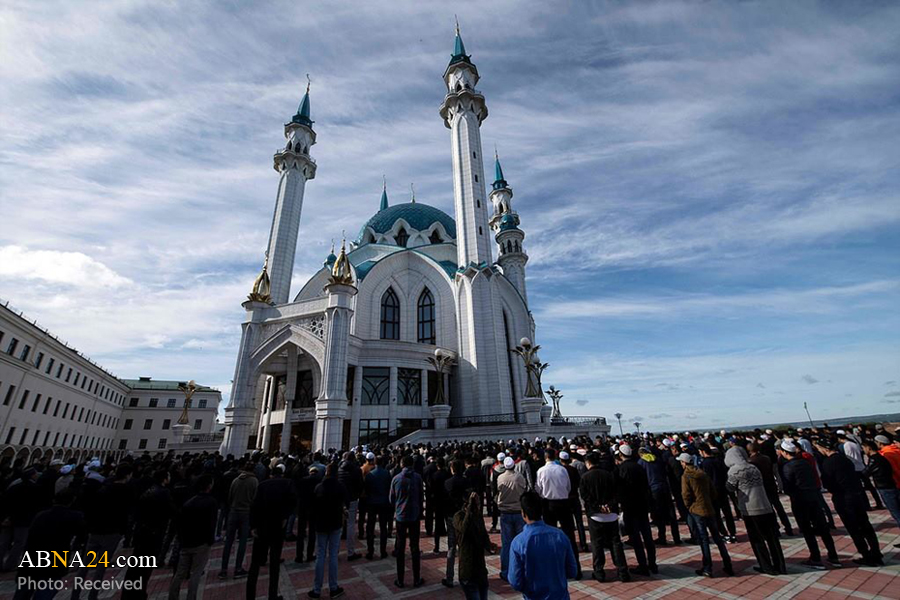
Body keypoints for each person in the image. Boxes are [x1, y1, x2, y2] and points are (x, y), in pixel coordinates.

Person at [815, 438, 883, 566]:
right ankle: (876, 552)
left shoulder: (828, 463)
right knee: (865, 525)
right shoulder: (845, 459)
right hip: (856, 494)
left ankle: (866, 554)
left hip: (843, 497)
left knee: (853, 528)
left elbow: (828, 483)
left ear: (824, 448)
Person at [74, 464, 136, 600]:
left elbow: (92, 509)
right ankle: (93, 595)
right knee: (100, 567)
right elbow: (128, 511)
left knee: (85, 565)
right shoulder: (126, 490)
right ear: (127, 475)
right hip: (112, 531)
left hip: (96, 530)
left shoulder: (103, 488)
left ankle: (75, 594)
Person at [13, 488, 85, 600]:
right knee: (45, 591)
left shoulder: (40, 515)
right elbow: (82, 535)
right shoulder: (74, 517)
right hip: (54, 559)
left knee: (23, 591)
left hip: (32, 558)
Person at [778, 440, 840, 569]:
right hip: (814, 497)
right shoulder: (805, 462)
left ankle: (815, 558)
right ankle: (833, 556)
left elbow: (788, 486)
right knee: (823, 528)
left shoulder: (788, 467)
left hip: (800, 500)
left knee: (807, 529)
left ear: (784, 452)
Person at [724, 446, 785, 575]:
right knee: (772, 538)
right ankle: (780, 565)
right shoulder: (753, 467)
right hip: (765, 505)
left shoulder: (734, 471)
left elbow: (729, 487)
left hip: (750, 509)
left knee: (757, 539)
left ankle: (766, 566)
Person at [508, 491, 577, 600]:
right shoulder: (560, 536)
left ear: (523, 513)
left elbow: (515, 581)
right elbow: (572, 571)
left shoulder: (518, 543)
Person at [123, 469, 176, 599]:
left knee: (136, 566)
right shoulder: (163, 492)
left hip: (142, 532)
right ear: (164, 479)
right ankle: (139, 593)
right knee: (145, 568)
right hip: (153, 533)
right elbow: (172, 511)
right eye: (168, 476)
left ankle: (129, 592)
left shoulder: (148, 490)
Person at [680, 453, 734, 578]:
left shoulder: (686, 476)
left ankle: (707, 567)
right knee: (717, 538)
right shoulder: (703, 473)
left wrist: (689, 507)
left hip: (697, 510)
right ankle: (728, 564)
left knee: (704, 540)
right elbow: (713, 491)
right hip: (709, 508)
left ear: (684, 462)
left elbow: (686, 494)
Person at [247, 464, 296, 600]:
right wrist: (285, 517)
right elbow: (293, 502)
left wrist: (253, 526)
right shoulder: (287, 483)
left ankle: (250, 595)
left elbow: (254, 506)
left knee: (255, 564)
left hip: (261, 527)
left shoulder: (262, 485)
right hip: (277, 527)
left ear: (270, 474)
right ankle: (272, 595)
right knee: (274, 564)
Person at [579, 452, 630, 582]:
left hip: (596, 516)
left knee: (597, 544)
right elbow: (616, 492)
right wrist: (608, 505)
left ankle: (599, 572)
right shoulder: (609, 475)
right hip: (611, 514)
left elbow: (585, 497)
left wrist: (598, 507)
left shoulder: (585, 477)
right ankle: (623, 571)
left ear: (588, 463)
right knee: (615, 543)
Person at [168, 475, 217, 600]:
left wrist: (181, 538)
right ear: (208, 486)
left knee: (180, 573)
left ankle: (173, 596)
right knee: (196, 573)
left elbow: (180, 523)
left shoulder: (188, 503)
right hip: (201, 542)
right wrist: (210, 540)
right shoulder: (210, 502)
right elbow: (211, 523)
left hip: (186, 542)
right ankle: (191, 597)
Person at [535, 448, 582, 579]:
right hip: (563, 503)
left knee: (550, 537)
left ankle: (555, 569)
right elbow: (568, 487)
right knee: (569, 536)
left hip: (548, 504)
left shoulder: (541, 471)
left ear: (545, 457)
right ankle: (576, 569)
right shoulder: (562, 469)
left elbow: (538, 489)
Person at [616, 444, 657, 576]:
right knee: (647, 536)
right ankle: (652, 564)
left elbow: (621, 489)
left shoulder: (621, 469)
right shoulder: (639, 466)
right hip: (642, 505)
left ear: (621, 455)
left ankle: (643, 566)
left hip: (630, 507)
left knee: (636, 538)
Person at [308, 462, 347, 599]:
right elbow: (344, 503)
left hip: (321, 524)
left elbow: (312, 507)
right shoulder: (340, 487)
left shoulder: (319, 487)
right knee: (333, 556)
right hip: (335, 523)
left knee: (320, 555)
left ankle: (316, 589)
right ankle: (333, 587)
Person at [390, 454, 425, 588]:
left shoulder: (396, 479)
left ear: (401, 464)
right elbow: (421, 496)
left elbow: (391, 499)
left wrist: (398, 508)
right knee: (414, 547)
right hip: (414, 516)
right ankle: (416, 578)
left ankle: (400, 579)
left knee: (400, 546)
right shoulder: (417, 478)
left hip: (401, 516)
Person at [220, 463, 258, 579]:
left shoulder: (236, 480)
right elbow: (255, 498)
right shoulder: (254, 481)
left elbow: (230, 496)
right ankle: (238, 568)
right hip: (245, 512)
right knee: (242, 541)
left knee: (229, 541)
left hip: (233, 511)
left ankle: (223, 569)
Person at [454, 491, 494, 600]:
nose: (479, 506)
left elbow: (483, 534)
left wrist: (489, 545)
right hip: (468, 571)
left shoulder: (478, 516)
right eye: (476, 503)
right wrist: (470, 509)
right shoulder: (458, 516)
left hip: (480, 570)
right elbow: (464, 529)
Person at [748, 442, 793, 536]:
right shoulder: (766, 458)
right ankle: (788, 527)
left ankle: (775, 528)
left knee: (770, 509)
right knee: (779, 507)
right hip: (771, 484)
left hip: (762, 487)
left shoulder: (751, 461)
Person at [496, 456, 527, 582]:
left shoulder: (500, 477)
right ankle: (523, 569)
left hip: (505, 512)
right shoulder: (519, 477)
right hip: (518, 511)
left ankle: (505, 571)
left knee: (506, 543)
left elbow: (497, 491)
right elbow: (524, 488)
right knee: (521, 542)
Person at [699, 445, 737, 543]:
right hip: (723, 489)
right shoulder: (719, 461)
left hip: (713, 491)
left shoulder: (705, 463)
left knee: (716, 515)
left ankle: (724, 534)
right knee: (727, 513)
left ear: (703, 451)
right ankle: (732, 533)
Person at [443, 458, 471, 587]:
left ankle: (449, 578)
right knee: (464, 547)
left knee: (451, 547)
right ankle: (465, 577)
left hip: (451, 516)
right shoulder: (466, 482)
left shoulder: (447, 482)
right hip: (464, 516)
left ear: (452, 469)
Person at [862, 439, 900, 529]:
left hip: (885, 488)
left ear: (869, 448)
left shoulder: (874, 459)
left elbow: (866, 473)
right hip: (892, 485)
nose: (863, 450)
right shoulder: (882, 456)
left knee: (896, 512)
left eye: (863, 448)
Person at [364, 455, 392, 560]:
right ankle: (383, 551)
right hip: (384, 503)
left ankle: (370, 551)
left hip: (372, 503)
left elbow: (366, 489)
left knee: (370, 528)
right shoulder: (387, 474)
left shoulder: (370, 475)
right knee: (383, 527)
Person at [337, 451, 363, 561]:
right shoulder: (356, 470)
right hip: (352, 499)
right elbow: (360, 485)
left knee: (338, 526)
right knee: (351, 525)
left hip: (340, 500)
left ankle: (335, 551)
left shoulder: (339, 469)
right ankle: (350, 552)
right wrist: (357, 495)